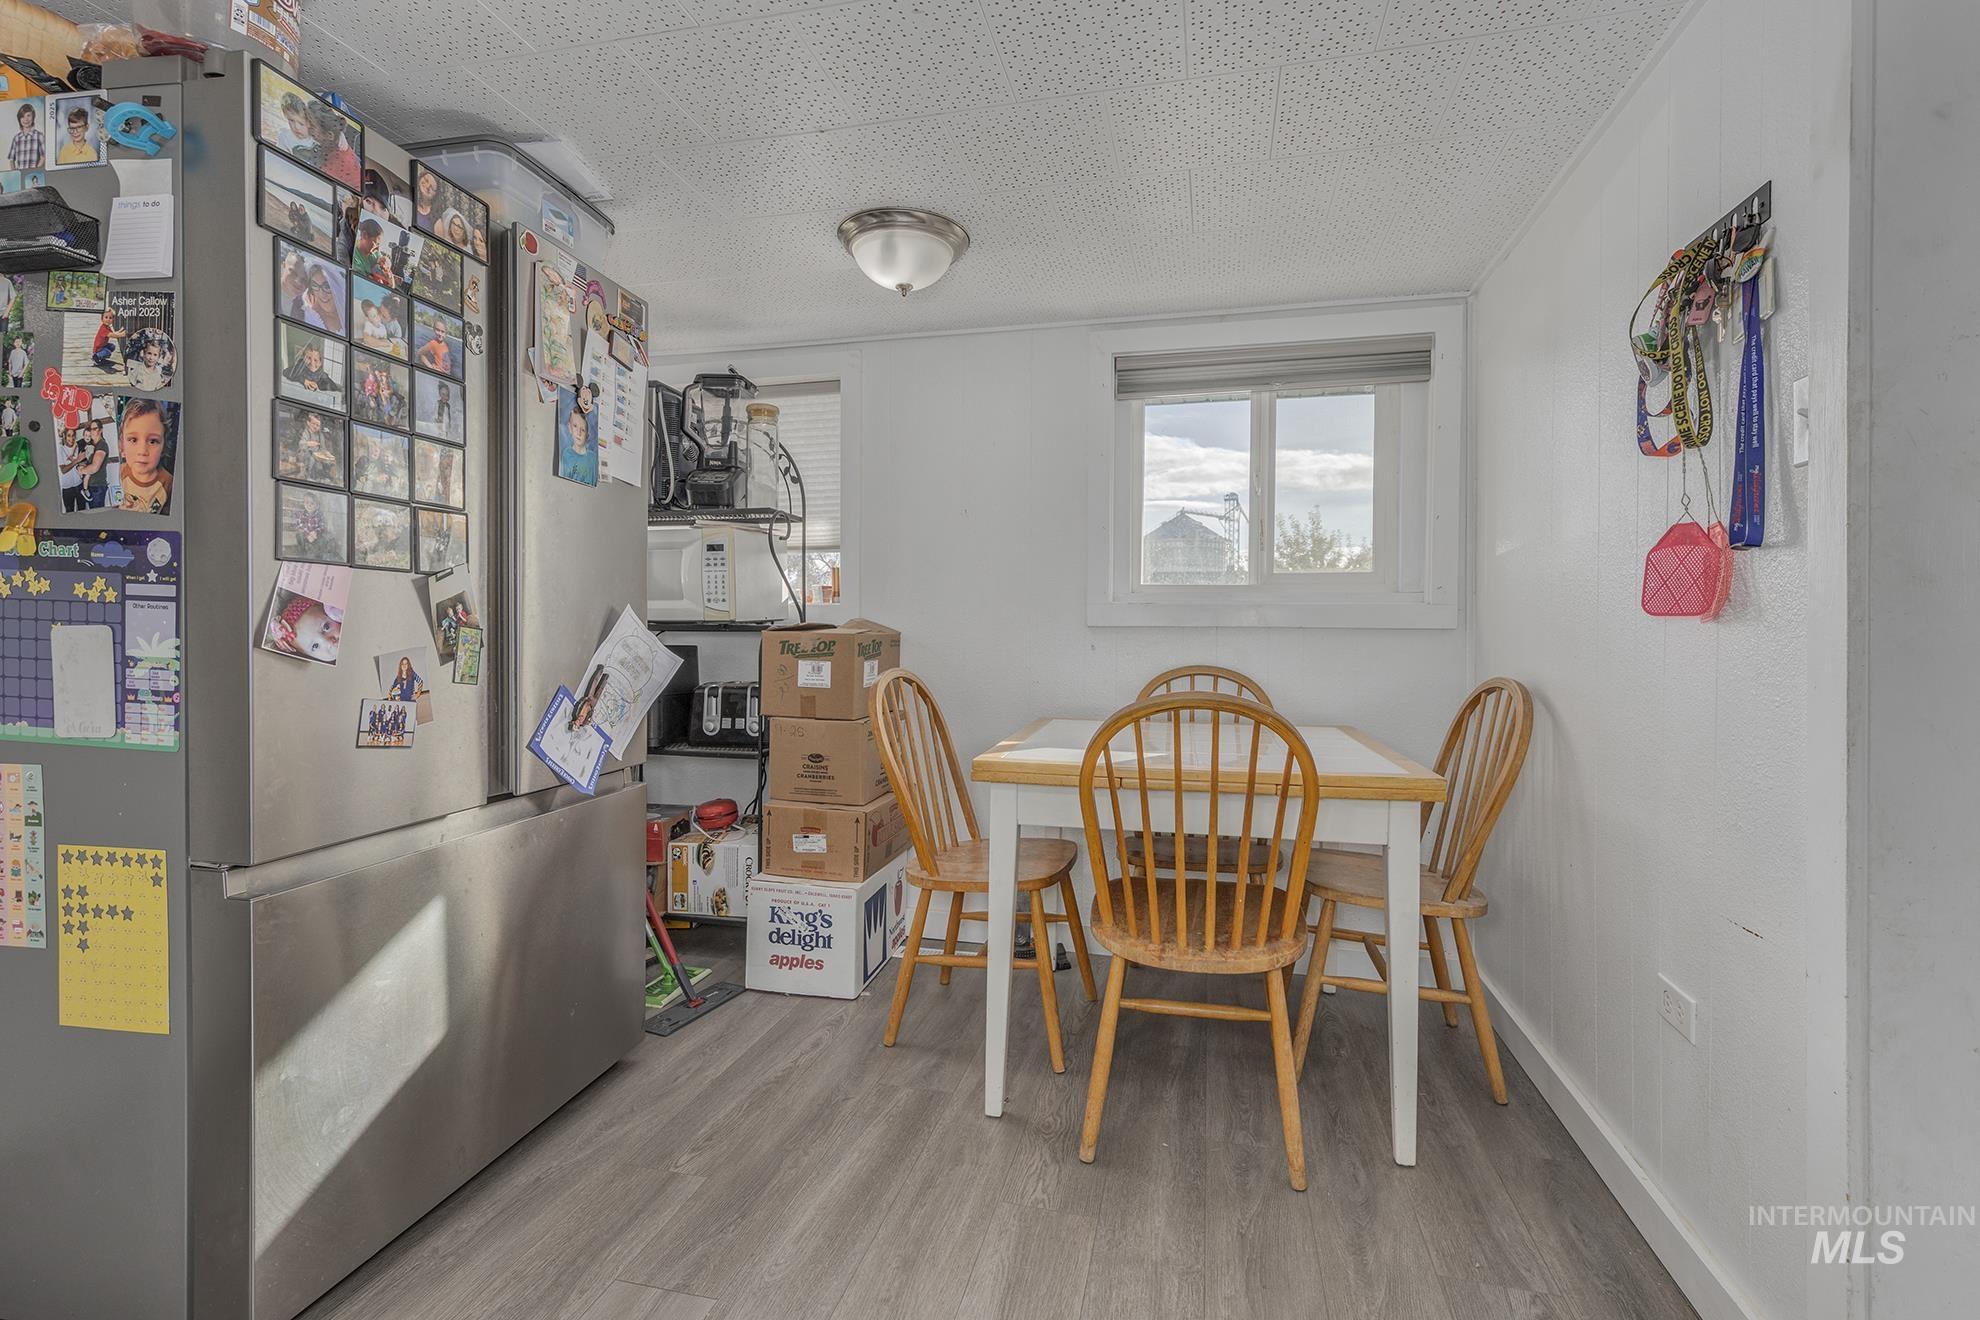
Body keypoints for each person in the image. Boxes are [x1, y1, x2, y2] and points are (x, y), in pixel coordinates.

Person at [114, 399, 171, 514]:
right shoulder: (117, 474)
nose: (142, 451)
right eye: (133, 440)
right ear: (122, 446)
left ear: (164, 447)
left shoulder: (169, 483)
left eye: (153, 441)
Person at [300, 265, 342, 335]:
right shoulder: (308, 314)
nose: (322, 294)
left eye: (327, 286)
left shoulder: (347, 311)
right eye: (315, 286)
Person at [78, 417, 108, 507]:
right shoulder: (93, 445)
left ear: (101, 430)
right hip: (93, 486)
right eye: (91, 429)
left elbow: (94, 467)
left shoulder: (102, 445)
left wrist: (81, 470)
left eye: (95, 429)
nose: (92, 431)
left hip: (97, 487)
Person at [274, 92, 315, 156]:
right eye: (291, 120)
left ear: (309, 123)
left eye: (301, 124)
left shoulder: (317, 139)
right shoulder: (284, 137)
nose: (296, 127)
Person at [8, 101, 43, 171]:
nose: (26, 119)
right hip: (20, 175)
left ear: (33, 117)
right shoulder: (16, 138)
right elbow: (11, 160)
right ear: (19, 119)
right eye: (22, 116)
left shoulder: (39, 136)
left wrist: (35, 170)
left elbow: (43, 158)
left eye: (28, 115)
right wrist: (15, 172)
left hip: (35, 173)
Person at [57, 428, 85, 512]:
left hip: (79, 485)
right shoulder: (61, 450)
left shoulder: (78, 448)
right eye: (69, 435)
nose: (71, 438)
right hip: (67, 488)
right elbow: (63, 470)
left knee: (83, 512)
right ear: (64, 436)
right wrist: (77, 460)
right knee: (70, 514)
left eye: (73, 435)